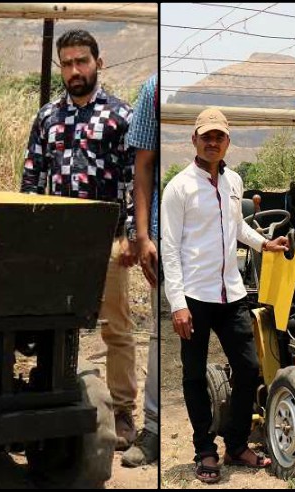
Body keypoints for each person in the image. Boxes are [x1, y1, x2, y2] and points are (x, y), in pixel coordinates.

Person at [19, 29, 139, 450]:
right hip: (57, 241)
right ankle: (53, 400)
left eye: (81, 61)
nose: (74, 70)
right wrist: (29, 235)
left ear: (98, 63)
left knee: (115, 327)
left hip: (105, 240)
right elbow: (31, 179)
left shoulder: (122, 116)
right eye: (67, 63)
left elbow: (133, 181)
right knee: (53, 323)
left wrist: (132, 237)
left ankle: (123, 413)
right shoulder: (47, 116)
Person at [161, 108, 288, 484]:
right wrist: (178, 304)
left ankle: (235, 444)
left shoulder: (234, 180)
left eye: (219, 136)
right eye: (206, 136)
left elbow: (237, 228)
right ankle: (205, 450)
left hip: (231, 292)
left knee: (249, 368)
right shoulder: (179, 187)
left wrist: (265, 244)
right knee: (194, 375)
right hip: (195, 296)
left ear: (227, 141)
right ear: (194, 141)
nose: (212, 142)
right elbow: (170, 248)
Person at [121, 74, 160, 468]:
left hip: (209, 242)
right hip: (166, 237)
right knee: (158, 333)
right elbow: (143, 166)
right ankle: (152, 430)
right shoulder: (153, 89)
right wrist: (144, 235)